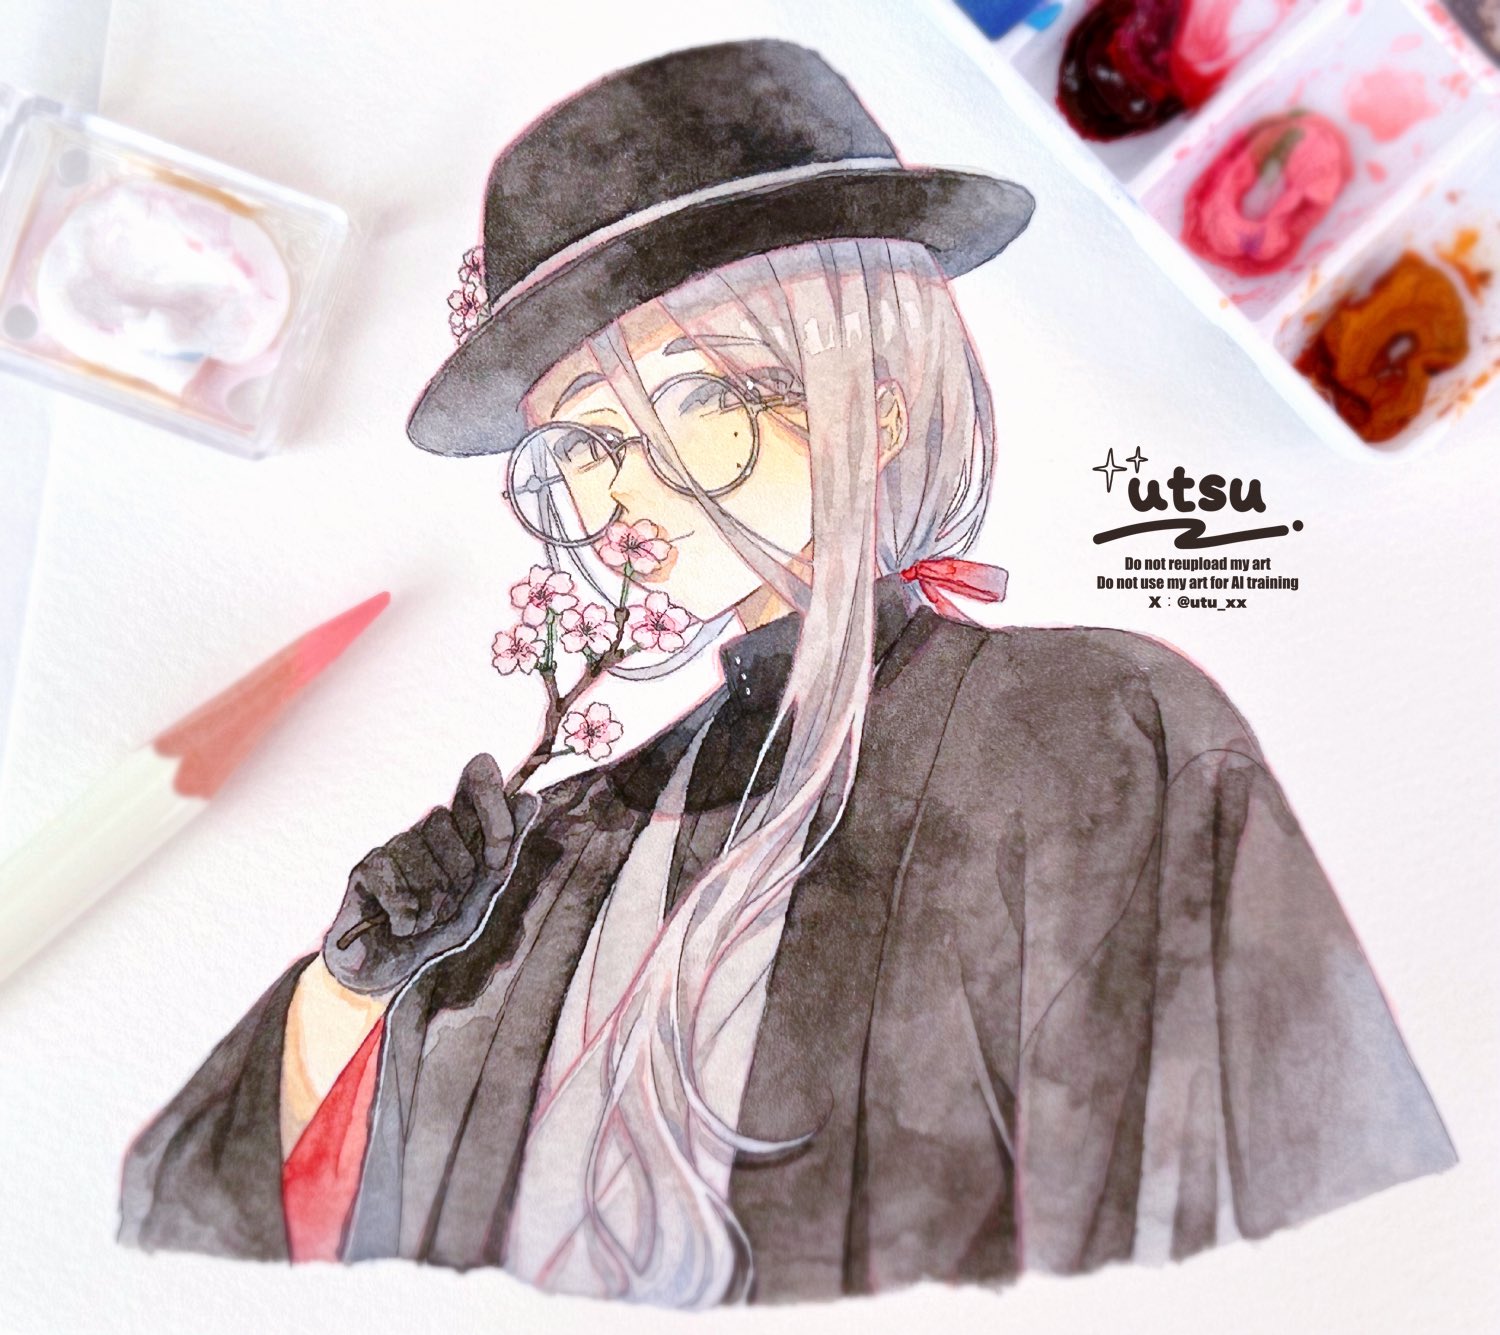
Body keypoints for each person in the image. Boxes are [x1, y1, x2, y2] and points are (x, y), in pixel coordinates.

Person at [118, 40, 1454, 1308]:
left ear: (873, 397)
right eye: (585, 446)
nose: (624, 489)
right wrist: (355, 990)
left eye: (691, 403)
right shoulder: (563, 843)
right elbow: (216, 1227)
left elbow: (1318, 1223)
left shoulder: (1099, 730)